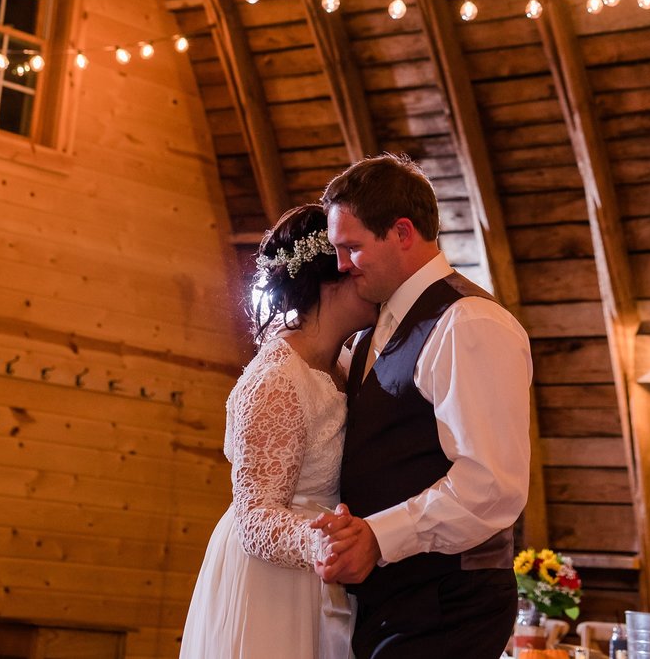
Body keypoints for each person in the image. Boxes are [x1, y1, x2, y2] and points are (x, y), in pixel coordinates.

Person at [314, 153, 533, 659]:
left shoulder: (469, 323)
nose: (342, 266)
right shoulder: (373, 330)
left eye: (352, 248)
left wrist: (379, 537)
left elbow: (490, 485)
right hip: (390, 600)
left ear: (403, 232)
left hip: (448, 604)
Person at [179, 202, 376, 659]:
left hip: (325, 571)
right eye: (353, 261)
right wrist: (320, 541)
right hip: (276, 583)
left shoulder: (345, 362)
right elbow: (254, 516)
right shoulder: (277, 380)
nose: (367, 274)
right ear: (331, 279)